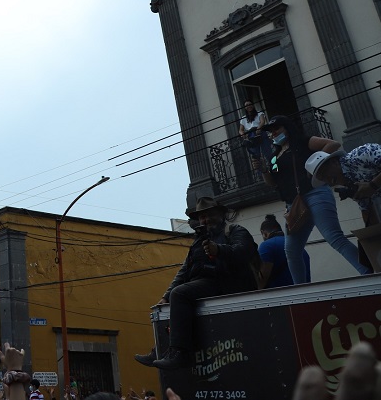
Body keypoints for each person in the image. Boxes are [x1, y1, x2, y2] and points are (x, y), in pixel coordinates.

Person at [137, 197, 259, 369]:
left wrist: (219, 250)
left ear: (221, 214)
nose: (206, 219)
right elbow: (185, 270)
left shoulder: (234, 231)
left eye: (210, 215)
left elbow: (244, 252)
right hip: (205, 285)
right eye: (202, 217)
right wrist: (165, 297)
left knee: (180, 294)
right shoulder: (198, 242)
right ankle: (160, 350)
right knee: (171, 300)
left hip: (230, 284)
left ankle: (179, 354)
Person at [254, 116, 369, 283]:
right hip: (293, 205)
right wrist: (264, 170)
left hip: (315, 193)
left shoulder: (302, 141)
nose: (273, 133)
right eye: (271, 131)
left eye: (276, 129)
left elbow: (332, 144)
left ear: (287, 128)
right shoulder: (274, 156)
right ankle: (301, 290)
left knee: (334, 237)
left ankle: (369, 272)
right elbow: (272, 182)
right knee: (292, 251)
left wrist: (315, 167)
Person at [305, 142, 381, 227]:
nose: (329, 181)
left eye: (325, 173)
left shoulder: (362, 154)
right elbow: (366, 209)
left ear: (334, 162)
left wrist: (373, 185)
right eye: (323, 179)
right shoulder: (349, 182)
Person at [259, 214, 309, 288]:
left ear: (264, 233)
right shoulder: (298, 247)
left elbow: (261, 280)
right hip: (305, 294)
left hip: (281, 296)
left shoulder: (266, 246)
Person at [237, 100, 269, 170]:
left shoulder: (259, 113)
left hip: (260, 132)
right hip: (250, 134)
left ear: (253, 105)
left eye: (250, 104)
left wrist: (258, 128)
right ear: (245, 108)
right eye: (247, 105)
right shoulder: (243, 118)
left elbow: (262, 121)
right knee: (255, 155)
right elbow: (240, 129)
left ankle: (272, 167)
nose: (249, 106)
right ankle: (261, 173)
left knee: (267, 151)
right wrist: (243, 134)